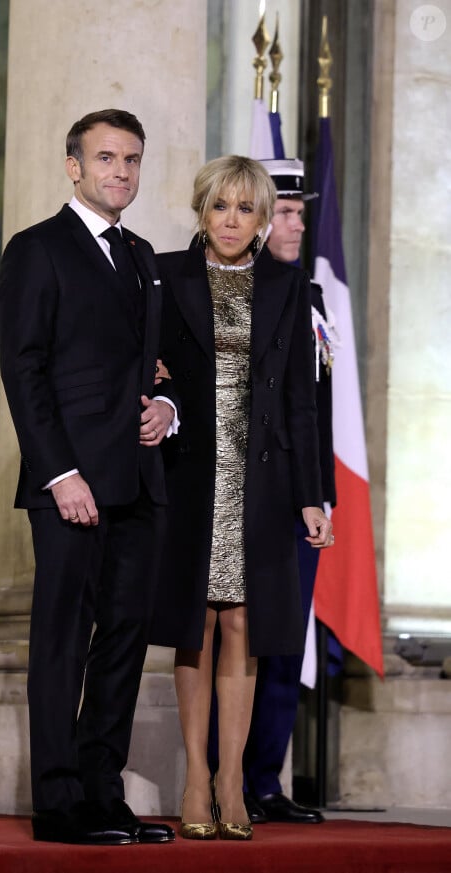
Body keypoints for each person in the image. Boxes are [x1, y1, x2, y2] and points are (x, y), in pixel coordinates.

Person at [0, 108, 177, 846]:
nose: (121, 172)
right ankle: (59, 803)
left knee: (125, 641)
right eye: (106, 158)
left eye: (131, 160)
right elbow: (23, 369)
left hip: (137, 481)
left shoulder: (141, 255)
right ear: (74, 166)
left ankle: (104, 792)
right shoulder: (36, 250)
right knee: (63, 643)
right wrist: (59, 472)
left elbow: (159, 365)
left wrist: (166, 405)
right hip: (69, 484)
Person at [150, 155, 333, 841]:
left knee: (243, 628)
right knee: (194, 624)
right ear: (203, 209)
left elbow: (301, 404)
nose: (232, 219)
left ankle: (233, 778)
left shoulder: (289, 286)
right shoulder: (163, 274)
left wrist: (313, 496)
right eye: (220, 206)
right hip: (188, 476)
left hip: (261, 480)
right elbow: (142, 363)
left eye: (246, 208)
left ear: (263, 218)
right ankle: (195, 775)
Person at [238, 158, 337, 826]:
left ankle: (265, 780)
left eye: (303, 212)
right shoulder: (233, 290)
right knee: (233, 638)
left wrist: (321, 495)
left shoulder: (311, 295)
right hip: (246, 491)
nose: (298, 224)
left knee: (282, 640)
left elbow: (316, 408)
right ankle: (223, 776)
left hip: (300, 495)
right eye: (288, 212)